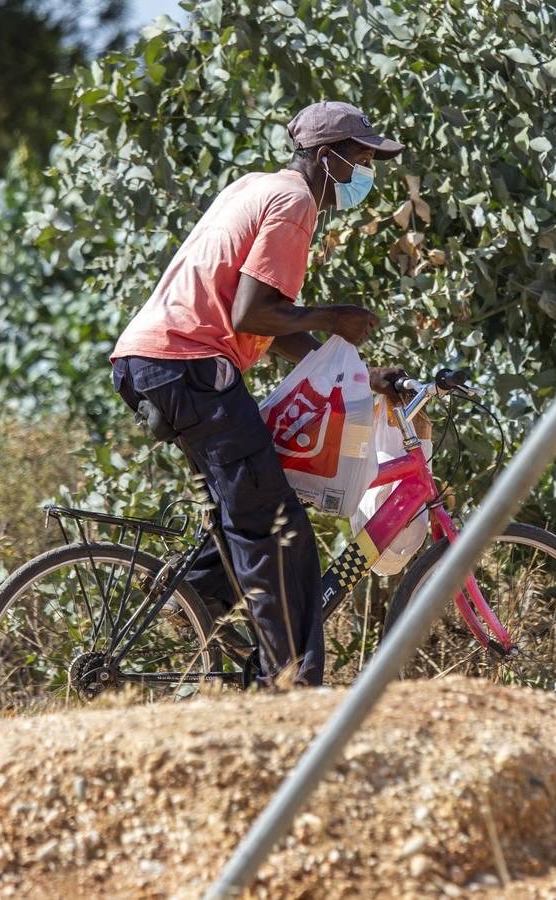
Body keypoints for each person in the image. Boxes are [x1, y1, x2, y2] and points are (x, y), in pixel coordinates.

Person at [109, 100, 406, 687]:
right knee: (277, 525)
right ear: (330, 159)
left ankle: (191, 603)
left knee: (249, 506)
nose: (370, 169)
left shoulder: (256, 186)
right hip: (189, 366)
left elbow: (264, 322)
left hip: (155, 362)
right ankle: (293, 687)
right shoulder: (296, 202)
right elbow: (253, 310)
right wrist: (334, 316)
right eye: (364, 157)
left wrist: (355, 372)